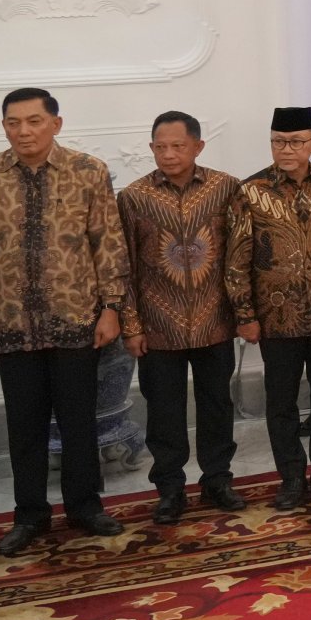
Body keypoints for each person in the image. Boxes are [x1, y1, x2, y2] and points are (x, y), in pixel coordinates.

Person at [0, 87, 127, 555]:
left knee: (78, 421)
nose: (23, 131)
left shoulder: (88, 172)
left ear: (56, 123)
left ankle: (85, 507)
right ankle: (29, 515)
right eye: (13, 122)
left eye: (33, 121)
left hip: (76, 317)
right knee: (24, 425)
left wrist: (112, 306)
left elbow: (107, 242)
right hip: (10, 322)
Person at [228, 107, 311, 511]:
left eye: (295, 141)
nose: (285, 149)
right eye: (278, 142)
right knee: (281, 399)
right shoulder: (250, 191)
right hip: (275, 317)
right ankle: (290, 475)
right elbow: (237, 260)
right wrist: (245, 315)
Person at [116, 112, 243, 522]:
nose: (168, 155)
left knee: (217, 405)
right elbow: (125, 268)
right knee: (164, 412)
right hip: (159, 327)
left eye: (178, 146)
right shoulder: (134, 197)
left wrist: (244, 313)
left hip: (215, 320)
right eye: (160, 147)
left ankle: (218, 479)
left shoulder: (226, 188)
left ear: (198, 146)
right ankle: (170, 488)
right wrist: (131, 326)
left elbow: (240, 257)